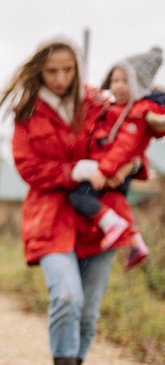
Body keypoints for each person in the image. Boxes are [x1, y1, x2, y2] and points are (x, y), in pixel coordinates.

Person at [0, 38, 136, 365]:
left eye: (67, 70)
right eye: (52, 71)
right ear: (40, 70)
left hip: (99, 217)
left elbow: (129, 134)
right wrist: (72, 171)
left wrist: (130, 162)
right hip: (51, 216)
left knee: (88, 313)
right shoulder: (28, 111)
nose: (60, 78)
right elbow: (28, 166)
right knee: (67, 297)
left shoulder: (97, 103)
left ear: (78, 69)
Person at [68, 45, 165, 268]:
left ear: (138, 85)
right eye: (115, 80)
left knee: (79, 197)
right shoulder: (113, 109)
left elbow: (124, 147)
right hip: (111, 168)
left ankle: (111, 224)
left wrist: (104, 171)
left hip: (109, 169)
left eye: (125, 81)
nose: (118, 86)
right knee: (116, 202)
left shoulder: (134, 114)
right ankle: (136, 241)